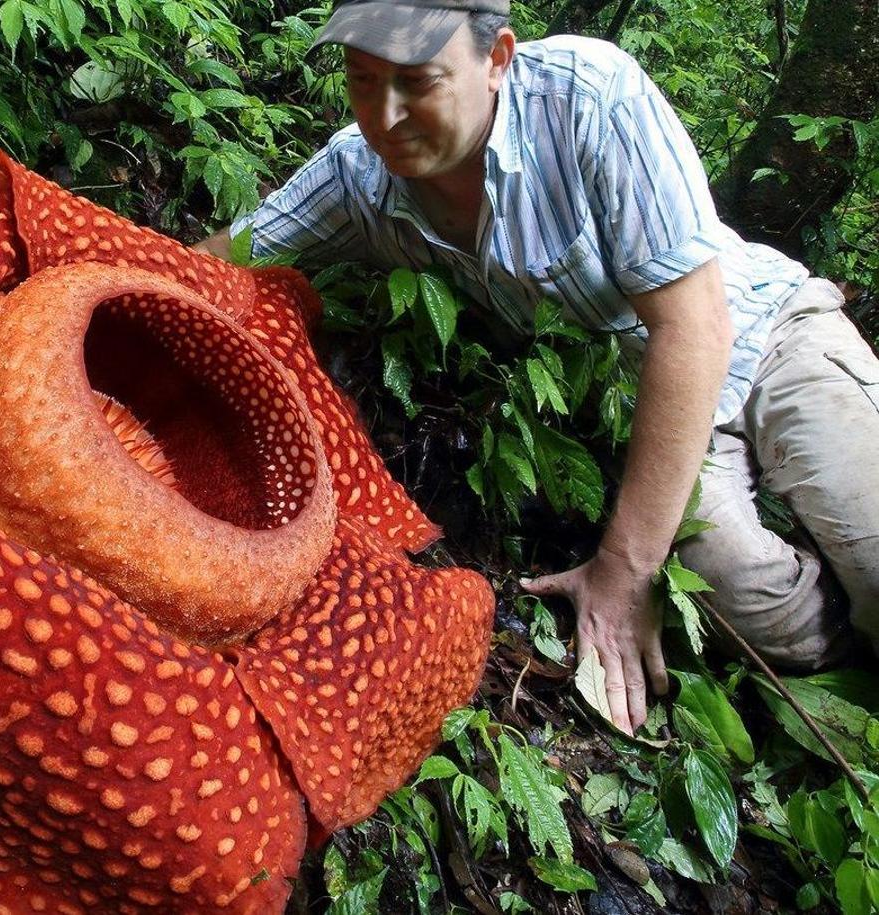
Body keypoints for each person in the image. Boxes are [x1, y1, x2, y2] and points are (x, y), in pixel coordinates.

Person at [196, 0, 879, 734]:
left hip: (768, 334)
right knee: (755, 607)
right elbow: (217, 264)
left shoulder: (587, 98)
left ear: (497, 59)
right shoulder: (357, 178)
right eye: (362, 80)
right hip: (660, 414)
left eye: (417, 81)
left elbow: (695, 326)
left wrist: (623, 569)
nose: (385, 117)